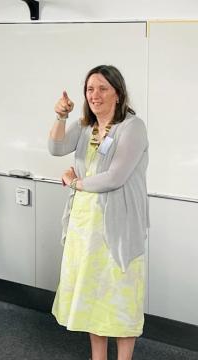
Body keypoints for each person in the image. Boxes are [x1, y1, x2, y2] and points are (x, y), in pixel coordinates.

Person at [48, 65, 149, 360]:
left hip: (118, 226)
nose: (95, 95)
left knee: (120, 295)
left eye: (103, 88)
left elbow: (115, 177)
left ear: (118, 93)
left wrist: (75, 181)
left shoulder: (132, 127)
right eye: (90, 89)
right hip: (84, 226)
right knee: (94, 295)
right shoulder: (85, 126)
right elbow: (55, 148)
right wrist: (60, 116)